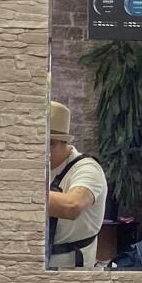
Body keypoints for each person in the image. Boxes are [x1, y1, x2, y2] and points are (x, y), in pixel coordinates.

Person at [47, 101, 108, 269]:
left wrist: (18, 194)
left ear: (53, 142)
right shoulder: (38, 167)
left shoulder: (88, 169)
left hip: (71, 272)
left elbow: (72, 206)